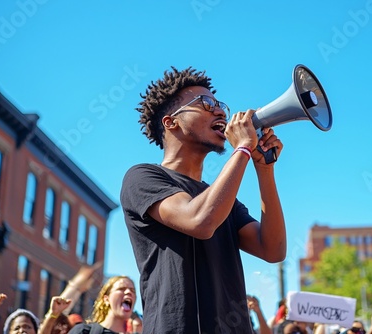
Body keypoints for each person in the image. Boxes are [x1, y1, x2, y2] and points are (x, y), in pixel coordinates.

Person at [121, 66, 286, 333]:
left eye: (220, 105)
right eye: (206, 104)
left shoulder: (222, 199)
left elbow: (273, 249)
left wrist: (265, 170)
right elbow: (200, 220)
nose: (221, 112)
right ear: (171, 122)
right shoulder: (142, 177)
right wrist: (243, 148)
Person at [68, 276, 136, 334]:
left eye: (133, 291)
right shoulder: (84, 331)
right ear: (106, 299)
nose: (129, 292)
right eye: (121, 289)